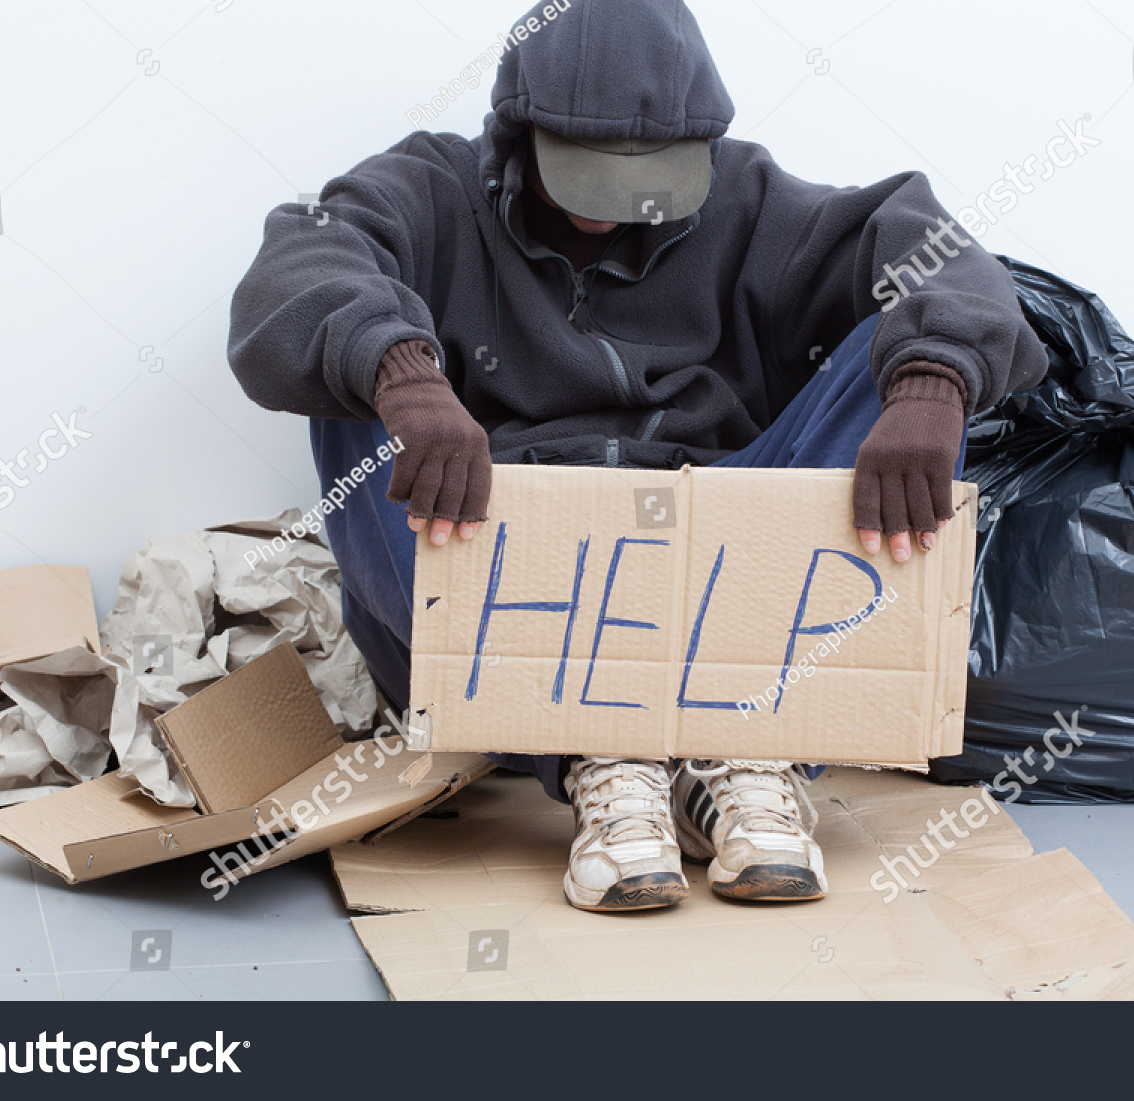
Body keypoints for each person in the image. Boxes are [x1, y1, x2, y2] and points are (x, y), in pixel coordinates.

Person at [229, 0, 1047, 913]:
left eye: (648, 181)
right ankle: (592, 749)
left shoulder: (749, 199)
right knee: (347, 360)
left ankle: (741, 749)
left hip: (719, 580)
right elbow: (296, 267)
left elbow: (938, 249)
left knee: (908, 346)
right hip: (501, 578)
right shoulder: (432, 187)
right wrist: (407, 377)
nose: (613, 216)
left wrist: (933, 380)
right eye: (587, 177)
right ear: (518, 128)